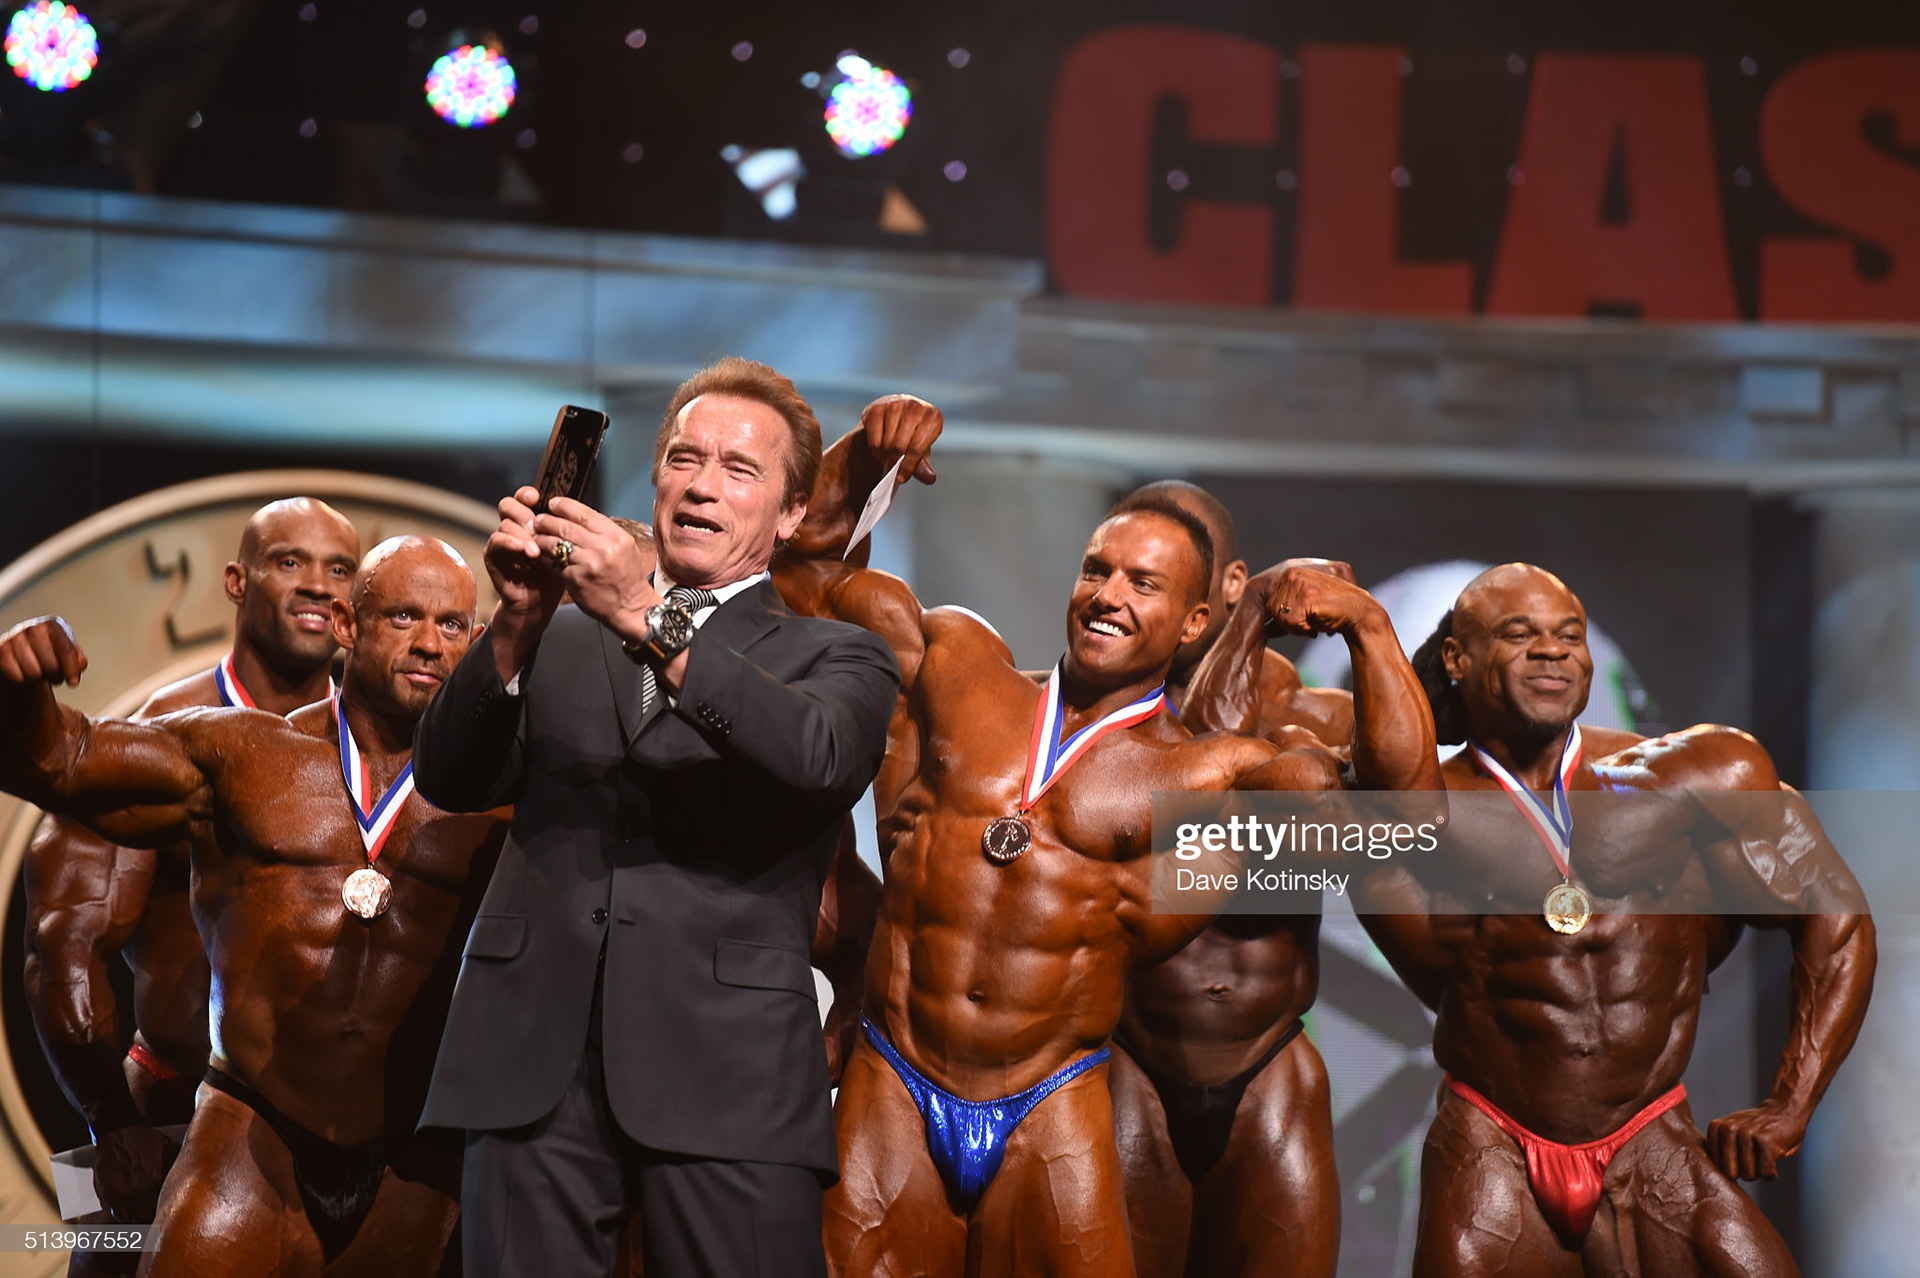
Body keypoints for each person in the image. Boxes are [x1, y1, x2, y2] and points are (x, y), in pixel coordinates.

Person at [771, 410, 1443, 1278]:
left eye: (1144, 584)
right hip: (895, 1077)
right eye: (1098, 569)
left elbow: (1409, 819)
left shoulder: (1215, 774)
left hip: (1053, 1097)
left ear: (1196, 621)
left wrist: (1369, 627)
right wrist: (863, 456)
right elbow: (804, 582)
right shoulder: (962, 665)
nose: (1109, 596)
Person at [411, 358, 901, 1278]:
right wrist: (514, 624)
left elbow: (817, 757)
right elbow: (449, 777)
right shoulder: (557, 630)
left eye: (739, 470)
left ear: (792, 516)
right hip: (529, 1065)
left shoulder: (839, 654)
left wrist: (644, 616)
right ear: (655, 479)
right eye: (684, 458)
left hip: (731, 1079)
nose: (702, 485)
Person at [0, 536, 506, 1278]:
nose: (428, 643)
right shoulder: (224, 741)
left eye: (452, 624)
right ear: (346, 624)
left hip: (413, 1149)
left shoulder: (502, 794)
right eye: (402, 616)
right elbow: (58, 931)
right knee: (100, 1262)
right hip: (194, 1104)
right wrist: (108, 1120)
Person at [1362, 562, 1875, 1277]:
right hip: (1493, 1141)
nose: (1552, 651)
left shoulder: (1695, 778)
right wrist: (1354, 624)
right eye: (1520, 634)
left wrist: (1790, 1105)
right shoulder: (1419, 810)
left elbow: (1836, 919)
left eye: (1568, 635)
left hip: (1649, 1135)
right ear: (1457, 658)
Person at [22, 498, 359, 1266]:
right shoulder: (156, 736)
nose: (317, 584)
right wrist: (110, 1125)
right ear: (238, 582)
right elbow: (65, 939)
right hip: (165, 1111)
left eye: (339, 568)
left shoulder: (380, 751)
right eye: (289, 562)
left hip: (341, 1134)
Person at [1102, 481, 1351, 1278]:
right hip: (1131, 1055)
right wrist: (1252, 622)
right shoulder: (1083, 709)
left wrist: (1369, 627)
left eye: (1188, 564)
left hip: (1270, 1057)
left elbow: (1419, 802)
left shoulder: (1312, 716)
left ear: (1225, 585)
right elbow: (1196, 766)